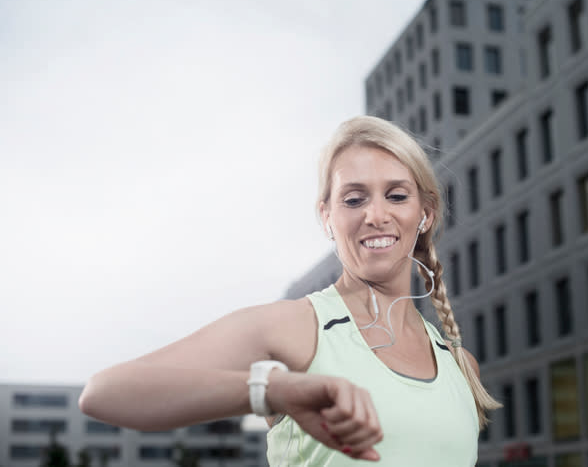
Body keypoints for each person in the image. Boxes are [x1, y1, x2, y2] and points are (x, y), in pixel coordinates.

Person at [79, 115, 501, 465]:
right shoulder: (296, 328)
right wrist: (273, 390)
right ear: (326, 217)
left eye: (396, 195)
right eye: (353, 200)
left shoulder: (460, 365)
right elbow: (105, 393)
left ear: (424, 214)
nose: (376, 215)